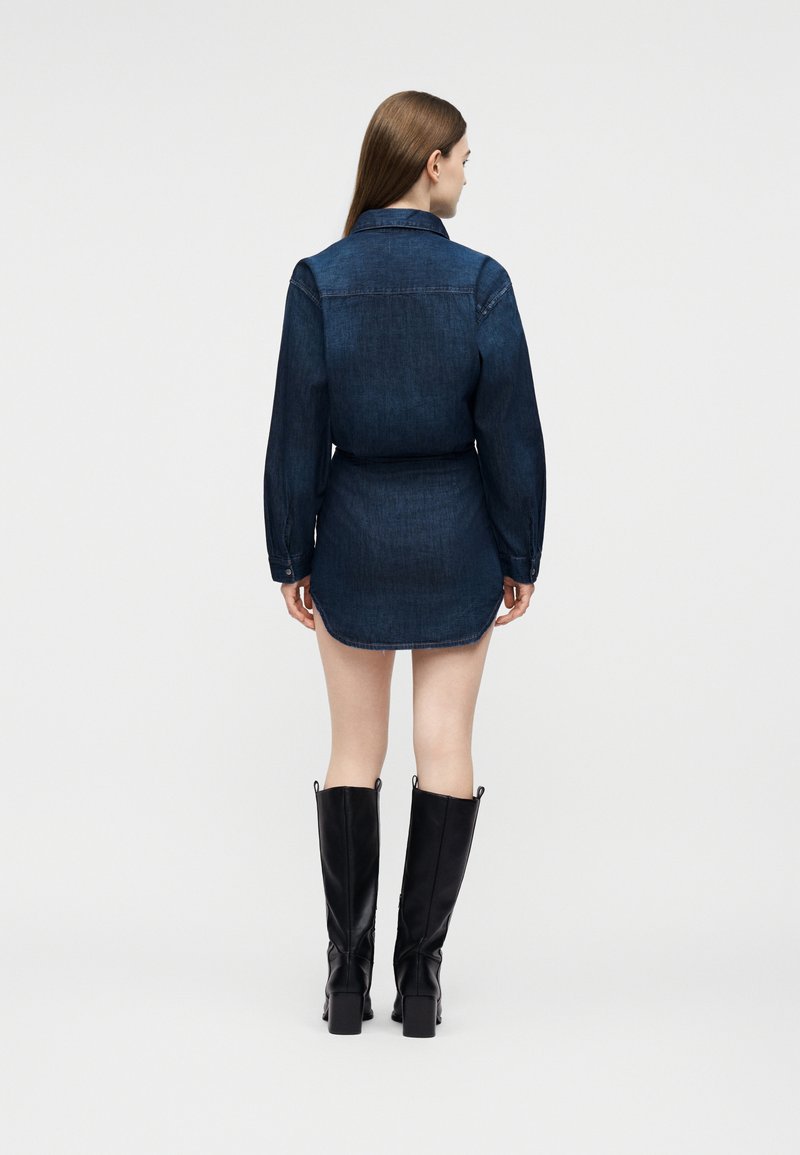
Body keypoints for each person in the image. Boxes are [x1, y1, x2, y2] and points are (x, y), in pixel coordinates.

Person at [262, 91, 546, 1038]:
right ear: (430, 163)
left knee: (353, 749)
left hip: (353, 538)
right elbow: (512, 432)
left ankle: (346, 981)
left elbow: (295, 428)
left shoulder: (320, 279)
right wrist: (521, 549)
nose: (466, 173)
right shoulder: (481, 282)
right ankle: (419, 983)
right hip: (457, 538)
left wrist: (290, 551)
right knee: (445, 748)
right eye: (462, 157)